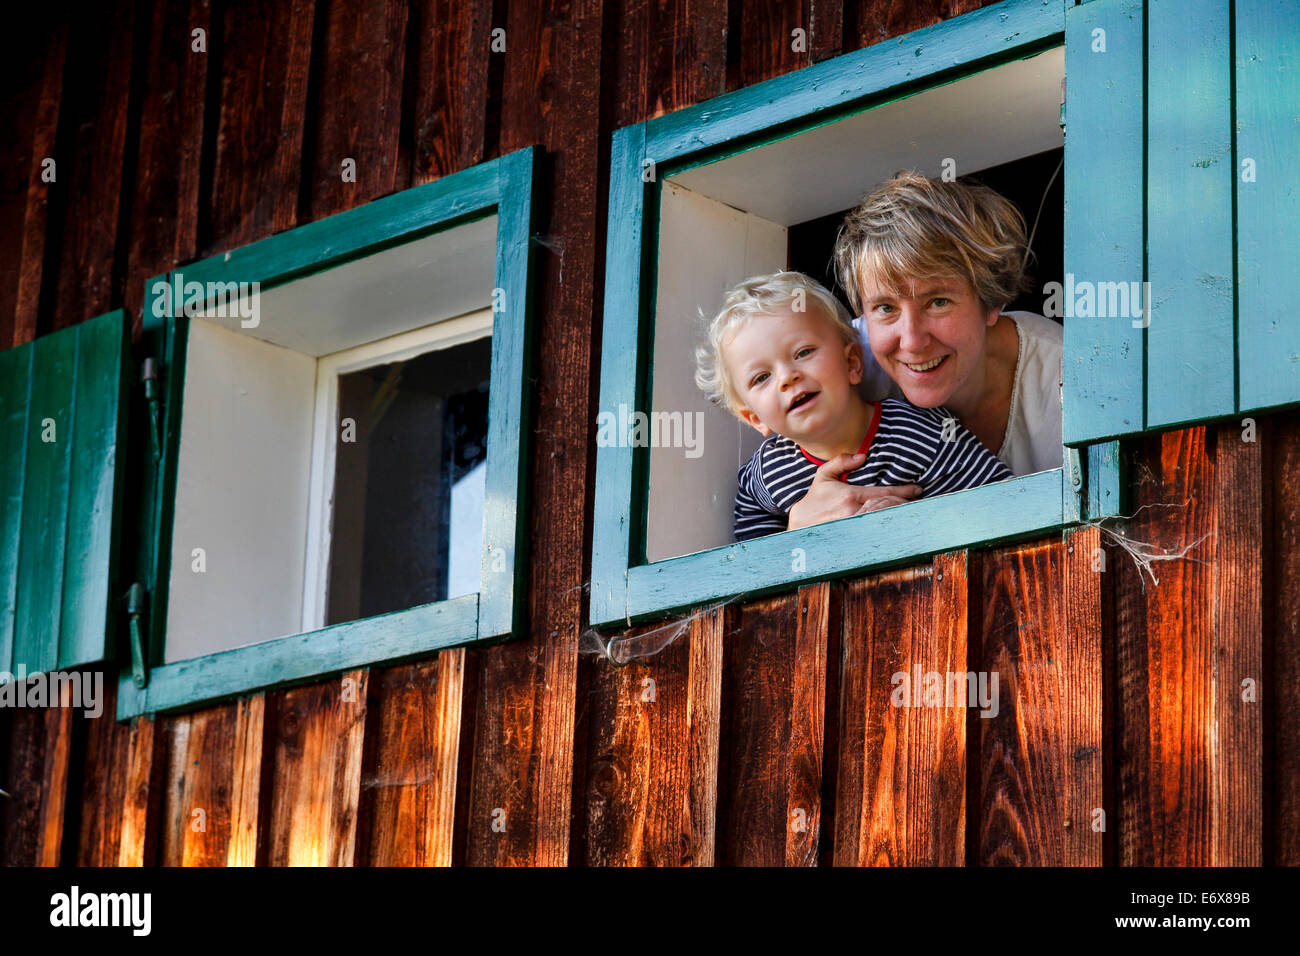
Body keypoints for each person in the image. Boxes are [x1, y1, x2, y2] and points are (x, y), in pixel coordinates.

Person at [773, 171, 1065, 532]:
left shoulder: (1066, 378)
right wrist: (795, 529)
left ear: (992, 302)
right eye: (885, 308)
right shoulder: (842, 365)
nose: (911, 341)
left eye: (938, 302)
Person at [694, 272, 1013, 542]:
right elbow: (752, 566)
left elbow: (1003, 503)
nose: (787, 378)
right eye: (762, 377)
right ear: (754, 418)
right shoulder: (768, 473)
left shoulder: (922, 433)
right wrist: (792, 536)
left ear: (852, 362)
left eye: (803, 352)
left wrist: (916, 521)